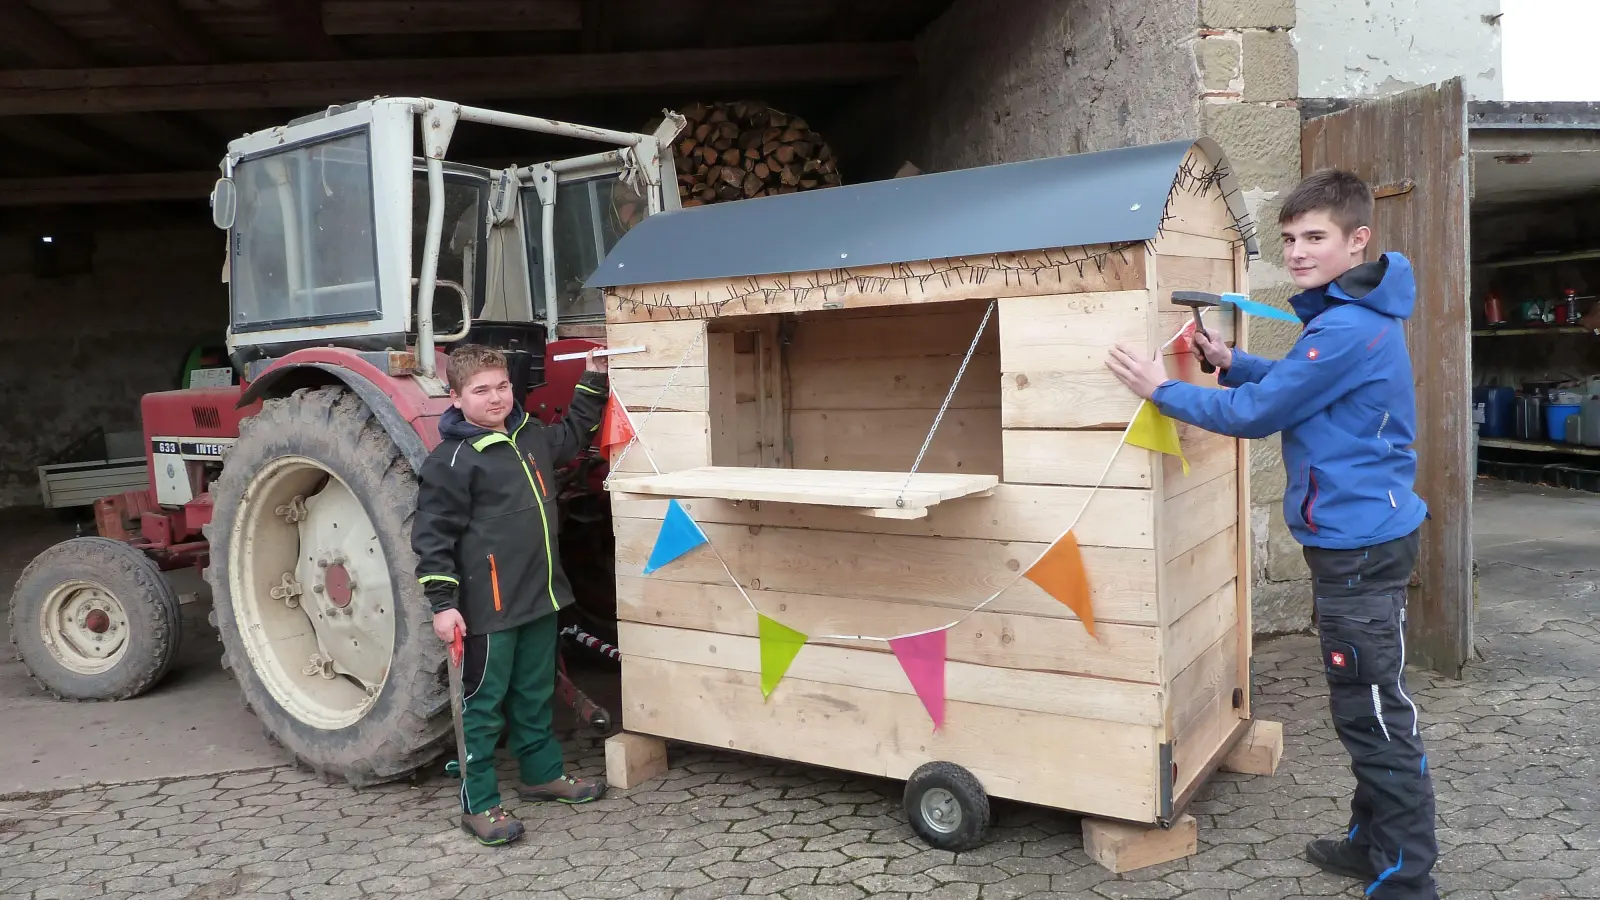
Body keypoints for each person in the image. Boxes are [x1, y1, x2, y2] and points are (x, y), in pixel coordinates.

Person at [1106, 170, 1439, 900]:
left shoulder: (1349, 325)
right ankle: (1370, 842)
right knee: (1364, 703)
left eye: (1314, 237)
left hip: (1358, 546)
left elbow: (1260, 413)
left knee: (1374, 712)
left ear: (1358, 241)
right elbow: (1299, 383)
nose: (1295, 252)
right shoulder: (1349, 314)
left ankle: (1408, 879)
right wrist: (1232, 362)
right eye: (1288, 238)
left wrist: (1157, 389)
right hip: (1356, 540)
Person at [412, 343, 611, 846]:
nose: (496, 397)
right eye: (481, 390)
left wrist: (593, 380)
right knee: (482, 706)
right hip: (488, 609)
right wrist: (443, 604)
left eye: (502, 386)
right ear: (455, 398)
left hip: (540, 598)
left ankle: (542, 774)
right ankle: (479, 803)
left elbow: (571, 438)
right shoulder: (451, 461)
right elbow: (432, 539)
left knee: (534, 692)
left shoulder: (529, 436)